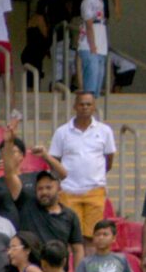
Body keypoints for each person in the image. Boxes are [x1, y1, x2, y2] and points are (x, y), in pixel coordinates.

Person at [45, 90, 116, 242]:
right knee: (71, 237)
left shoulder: (105, 131)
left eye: (89, 104)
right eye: (81, 104)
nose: (85, 107)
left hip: (95, 190)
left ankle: (88, 267)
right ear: (74, 106)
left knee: (93, 237)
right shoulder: (62, 132)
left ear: (94, 107)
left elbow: (109, 160)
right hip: (68, 190)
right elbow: (54, 161)